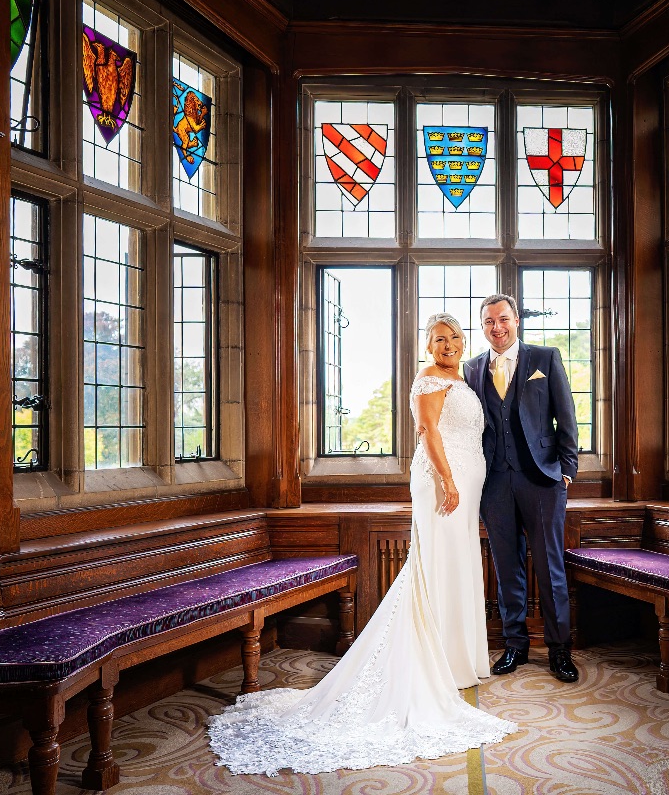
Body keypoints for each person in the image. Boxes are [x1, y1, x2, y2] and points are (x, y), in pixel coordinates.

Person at [208, 313, 515, 776]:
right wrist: (448, 480)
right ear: (427, 345)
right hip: (443, 484)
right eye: (438, 339)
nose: (448, 345)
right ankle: (437, 662)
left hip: (469, 484)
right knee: (437, 567)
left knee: (459, 565)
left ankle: (458, 659)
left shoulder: (463, 375)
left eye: (453, 338)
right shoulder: (429, 377)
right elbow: (430, 432)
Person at [464, 293, 580, 683]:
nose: (496, 327)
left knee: (550, 566)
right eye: (488, 322)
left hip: (543, 479)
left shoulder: (545, 358)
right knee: (506, 566)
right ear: (482, 327)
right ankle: (515, 646)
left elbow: (567, 415)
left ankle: (560, 649)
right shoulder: (471, 369)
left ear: (516, 321)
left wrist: (567, 470)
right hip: (493, 482)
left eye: (503, 319)